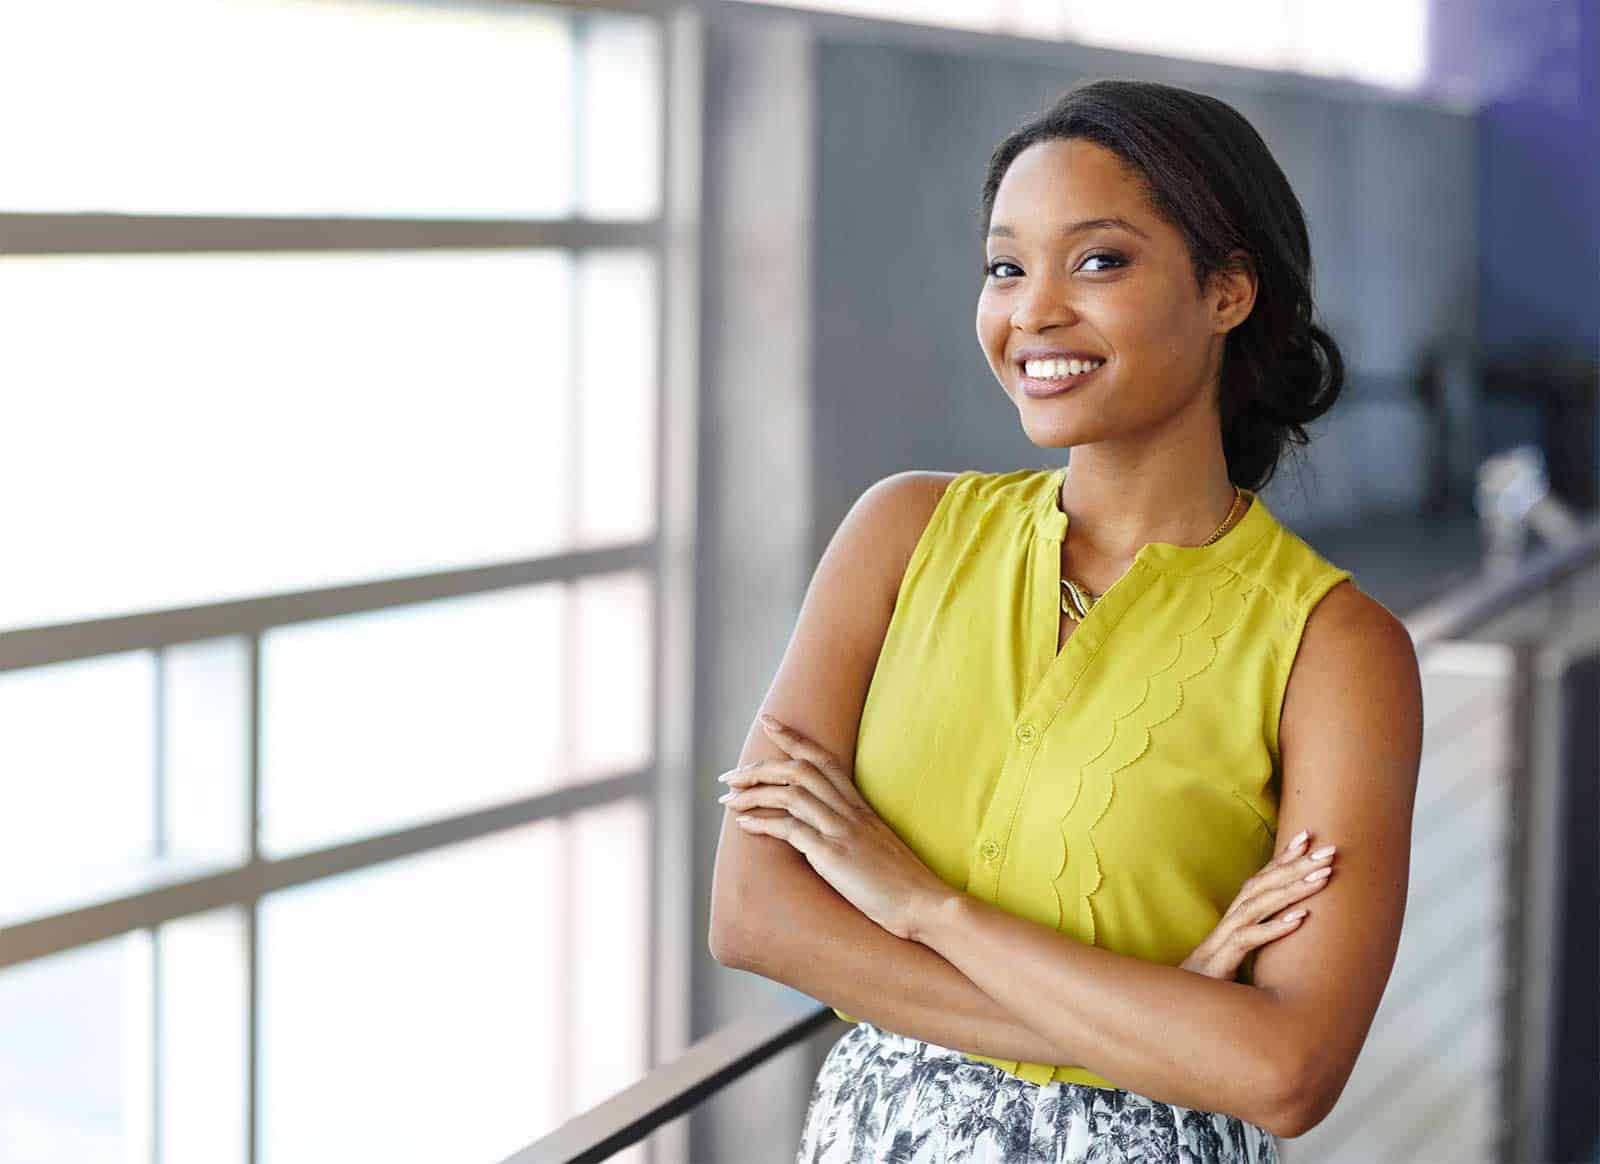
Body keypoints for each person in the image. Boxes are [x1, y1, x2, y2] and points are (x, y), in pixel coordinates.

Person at [707, 78, 1423, 1162]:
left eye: (1098, 260)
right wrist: (1158, 1024)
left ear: (1227, 291)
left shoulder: (1335, 649)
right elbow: (754, 915)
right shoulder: (898, 536)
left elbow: (1284, 1072)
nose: (1031, 310)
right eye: (1005, 265)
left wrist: (919, 908)